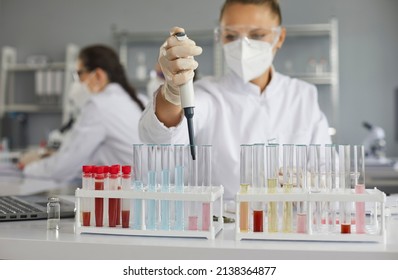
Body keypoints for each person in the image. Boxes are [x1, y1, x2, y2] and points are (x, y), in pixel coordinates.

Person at [139, 0, 332, 201]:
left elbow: (328, 170)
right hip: (224, 225)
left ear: (280, 37)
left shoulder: (302, 95)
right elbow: (159, 138)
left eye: (257, 35)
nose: (243, 46)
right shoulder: (208, 93)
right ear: (220, 36)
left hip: (289, 224)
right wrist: (172, 93)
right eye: (231, 36)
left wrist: (311, 183)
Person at [19, 44, 147, 182]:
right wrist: (52, 156)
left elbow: (63, 168)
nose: (77, 82)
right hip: (147, 188)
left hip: (128, 192)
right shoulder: (141, 100)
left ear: (98, 75)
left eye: (79, 74)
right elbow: (90, 158)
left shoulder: (99, 106)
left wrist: (29, 167)